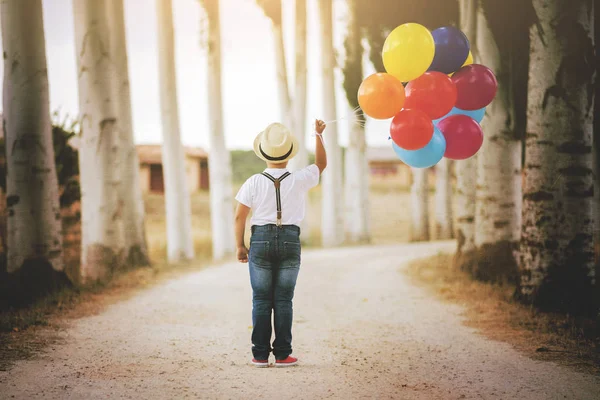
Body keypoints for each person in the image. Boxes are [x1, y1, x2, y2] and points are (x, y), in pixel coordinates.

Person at [234, 120, 327, 367]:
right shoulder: (299, 179)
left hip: (260, 240)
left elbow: (239, 216)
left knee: (262, 299)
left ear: (264, 153)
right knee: (284, 300)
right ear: (289, 154)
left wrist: (241, 246)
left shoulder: (253, 182)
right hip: (289, 240)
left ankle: (260, 355)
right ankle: (284, 354)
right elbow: (320, 164)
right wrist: (318, 135)